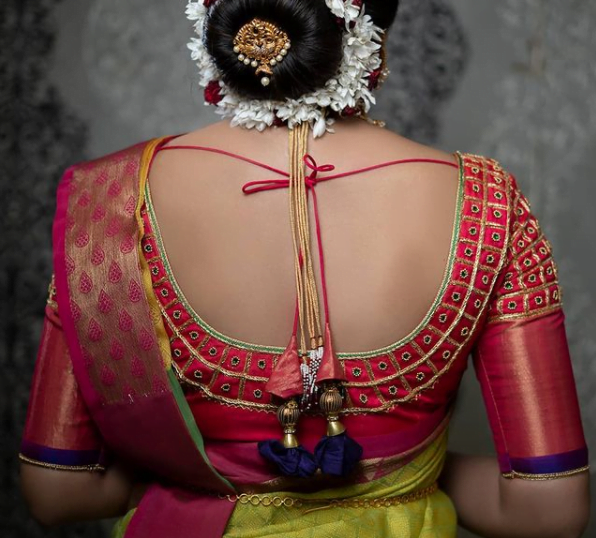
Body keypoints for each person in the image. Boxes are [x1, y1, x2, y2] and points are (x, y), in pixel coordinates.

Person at [19, 0, 590, 537]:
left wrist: (205, 475)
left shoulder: (111, 202)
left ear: (213, 26)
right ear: (373, 40)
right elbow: (547, 509)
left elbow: (59, 490)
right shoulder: (487, 205)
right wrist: (405, 472)